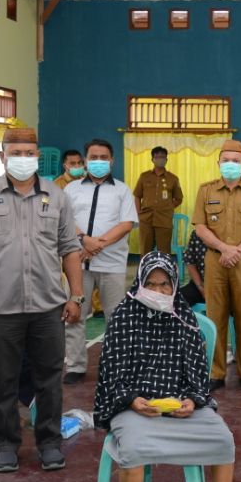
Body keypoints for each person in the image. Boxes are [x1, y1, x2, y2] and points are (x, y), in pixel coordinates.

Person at [92, 252, 241, 482]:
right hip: (135, 407)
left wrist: (192, 400)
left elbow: (198, 372)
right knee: (132, 447)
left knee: (222, 438)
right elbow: (112, 373)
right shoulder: (123, 318)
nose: (158, 292)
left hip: (180, 406)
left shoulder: (183, 319)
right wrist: (132, 400)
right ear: (140, 283)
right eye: (151, 284)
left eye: (165, 285)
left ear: (174, 287)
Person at [0, 127, 84, 473]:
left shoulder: (57, 197)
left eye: (30, 153)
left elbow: (70, 249)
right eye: (17, 153)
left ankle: (49, 443)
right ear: (2, 157)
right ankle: (6, 444)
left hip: (48, 308)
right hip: (1, 308)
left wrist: (75, 295)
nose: (24, 159)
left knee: (49, 380)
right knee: (4, 380)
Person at [192, 140, 241, 394]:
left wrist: (237, 250)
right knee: (216, 317)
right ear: (218, 163)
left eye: (235, 161)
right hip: (215, 261)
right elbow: (200, 227)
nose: (230, 165)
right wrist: (224, 248)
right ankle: (216, 373)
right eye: (226, 160)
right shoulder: (206, 191)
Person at [62, 139, 137, 384]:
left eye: (104, 157)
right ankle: (75, 366)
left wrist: (96, 245)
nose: (98, 162)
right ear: (85, 161)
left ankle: (114, 367)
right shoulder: (71, 190)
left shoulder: (122, 190)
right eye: (93, 157)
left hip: (112, 264)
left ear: (112, 161)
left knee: (115, 318)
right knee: (74, 315)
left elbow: (126, 224)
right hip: (77, 264)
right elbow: (62, 221)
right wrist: (84, 240)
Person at [134, 146, 183, 257]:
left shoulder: (173, 178)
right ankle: (145, 274)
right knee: (145, 251)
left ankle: (164, 274)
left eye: (162, 157)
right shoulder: (144, 176)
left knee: (164, 252)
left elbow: (179, 199)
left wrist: (168, 207)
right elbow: (137, 196)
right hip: (146, 219)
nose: (160, 159)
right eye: (157, 157)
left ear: (166, 160)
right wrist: (138, 214)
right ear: (152, 159)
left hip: (164, 220)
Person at [180, 230, 207, 308]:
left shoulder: (231, 235)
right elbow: (190, 262)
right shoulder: (197, 233)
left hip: (226, 287)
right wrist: (200, 287)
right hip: (200, 284)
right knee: (176, 300)